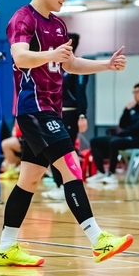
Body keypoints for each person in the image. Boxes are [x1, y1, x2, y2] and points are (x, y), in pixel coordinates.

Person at [0, 0, 132, 267]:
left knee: (28, 181)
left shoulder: (58, 25)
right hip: (35, 109)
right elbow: (20, 57)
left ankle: (5, 248)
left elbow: (69, 64)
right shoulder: (22, 18)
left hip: (50, 109)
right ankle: (98, 240)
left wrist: (105, 65)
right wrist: (50, 54)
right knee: (72, 168)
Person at [44, 32, 89, 200]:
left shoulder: (77, 67)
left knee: (66, 151)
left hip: (70, 113)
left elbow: (81, 93)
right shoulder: (56, 66)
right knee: (53, 149)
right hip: (55, 113)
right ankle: (58, 184)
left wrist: (82, 115)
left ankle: (69, 186)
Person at [87, 83, 139, 184]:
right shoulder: (134, 109)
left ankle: (111, 174)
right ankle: (101, 172)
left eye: (137, 92)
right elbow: (122, 124)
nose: (135, 95)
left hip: (138, 140)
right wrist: (126, 110)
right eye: (134, 92)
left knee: (115, 142)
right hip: (126, 136)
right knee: (95, 141)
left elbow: (138, 128)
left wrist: (124, 132)